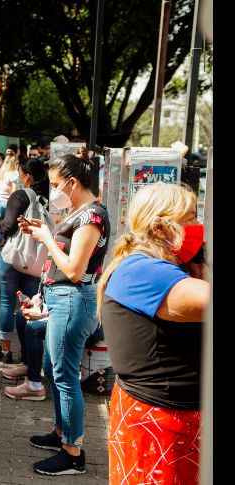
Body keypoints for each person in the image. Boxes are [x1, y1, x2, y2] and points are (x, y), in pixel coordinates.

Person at [98, 183, 207, 484]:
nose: (197, 226)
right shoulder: (144, 271)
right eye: (189, 218)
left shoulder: (149, 266)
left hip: (169, 426)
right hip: (163, 431)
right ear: (160, 228)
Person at [19, 153, 110, 475]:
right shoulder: (80, 212)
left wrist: (46, 238)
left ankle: (73, 453)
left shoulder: (92, 216)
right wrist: (44, 230)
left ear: (72, 182)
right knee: (52, 368)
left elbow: (73, 270)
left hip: (73, 302)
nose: (53, 190)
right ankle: (61, 432)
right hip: (62, 301)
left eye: (56, 184)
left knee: (65, 376)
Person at [0, 158, 50, 367]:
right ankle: (28, 356)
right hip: (36, 260)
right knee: (31, 305)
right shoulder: (50, 197)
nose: (18, 177)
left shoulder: (20, 196)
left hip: (12, 258)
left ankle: (5, 351)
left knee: (7, 302)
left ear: (28, 177)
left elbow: (8, 225)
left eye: (20, 173)